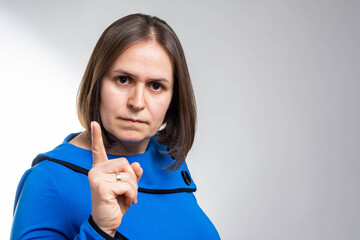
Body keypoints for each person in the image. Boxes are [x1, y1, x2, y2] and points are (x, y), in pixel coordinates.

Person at [11, 13, 220, 240]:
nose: (137, 102)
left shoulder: (168, 158)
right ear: (97, 83)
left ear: (173, 98)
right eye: (123, 79)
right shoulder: (48, 178)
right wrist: (99, 228)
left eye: (156, 86)